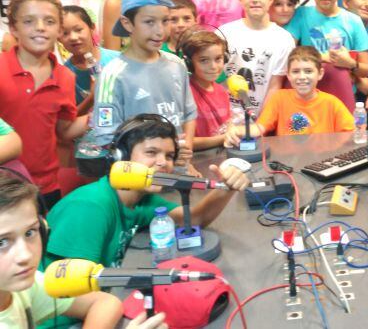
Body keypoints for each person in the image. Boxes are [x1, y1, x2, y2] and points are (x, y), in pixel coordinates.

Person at [43, 114, 249, 269]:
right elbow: (68, 295)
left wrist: (226, 188)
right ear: (120, 157)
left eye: (169, 156)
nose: (163, 163)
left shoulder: (141, 200)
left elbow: (193, 219)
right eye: (151, 152)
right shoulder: (90, 207)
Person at [92, 0, 197, 174]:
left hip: (178, 173)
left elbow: (189, 114)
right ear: (127, 23)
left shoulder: (177, 64)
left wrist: (183, 153)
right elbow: (107, 137)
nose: (160, 31)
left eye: (165, 21)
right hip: (138, 182)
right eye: (149, 22)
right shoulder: (112, 74)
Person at [0, 0, 89, 210]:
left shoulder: (65, 77)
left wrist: (97, 117)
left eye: (49, 21)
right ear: (13, 28)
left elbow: (64, 130)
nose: (40, 27)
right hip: (5, 185)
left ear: (59, 29)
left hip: (47, 187)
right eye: (29, 21)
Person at [0, 173, 125, 328]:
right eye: (2, 242)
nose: (25, 255)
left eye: (30, 233)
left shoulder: (26, 286)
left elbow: (106, 302)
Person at [284, 0, 368, 112]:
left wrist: (351, 64)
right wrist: (324, 58)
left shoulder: (353, 21)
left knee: (345, 136)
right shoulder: (300, 15)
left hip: (342, 98)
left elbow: (365, 69)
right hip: (307, 99)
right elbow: (287, 55)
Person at [225, 46, 354, 144]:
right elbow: (260, 128)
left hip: (322, 162)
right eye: (296, 71)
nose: (302, 77)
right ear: (288, 75)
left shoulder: (332, 103)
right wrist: (237, 130)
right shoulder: (279, 98)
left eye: (308, 71)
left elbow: (352, 135)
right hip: (286, 164)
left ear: (320, 74)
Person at [219, 0, 295, 116]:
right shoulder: (224, 34)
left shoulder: (284, 39)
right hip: (225, 119)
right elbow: (215, 80)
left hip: (260, 121)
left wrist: (261, 124)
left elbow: (275, 86)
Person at [60, 5, 120, 116]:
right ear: (58, 38)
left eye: (78, 30)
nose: (73, 37)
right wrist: (92, 98)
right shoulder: (63, 75)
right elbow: (68, 121)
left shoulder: (118, 60)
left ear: (92, 28)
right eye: (65, 33)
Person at [180, 28, 232, 150]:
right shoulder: (185, 93)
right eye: (204, 60)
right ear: (189, 63)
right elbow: (186, 141)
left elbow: (227, 125)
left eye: (218, 59)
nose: (213, 67)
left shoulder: (221, 91)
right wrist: (224, 138)